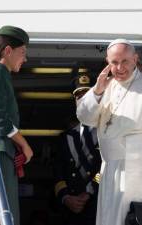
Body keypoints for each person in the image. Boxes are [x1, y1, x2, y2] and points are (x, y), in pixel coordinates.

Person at [76, 39, 142, 225]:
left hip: (140, 171)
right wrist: (97, 91)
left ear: (135, 59)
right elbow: (84, 117)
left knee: (135, 219)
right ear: (107, 63)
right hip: (110, 170)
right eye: (114, 63)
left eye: (124, 61)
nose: (119, 67)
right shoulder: (105, 87)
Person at [0, 25, 34, 225]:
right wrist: (25, 146)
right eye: (22, 52)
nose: (24, 59)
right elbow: (0, 119)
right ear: (8, 51)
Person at [54, 74, 102, 225]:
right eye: (78, 97)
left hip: (99, 202)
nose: (82, 100)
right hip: (72, 207)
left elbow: (108, 167)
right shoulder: (67, 136)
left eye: (87, 96)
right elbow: (58, 170)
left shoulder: (107, 131)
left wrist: (90, 190)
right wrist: (65, 197)